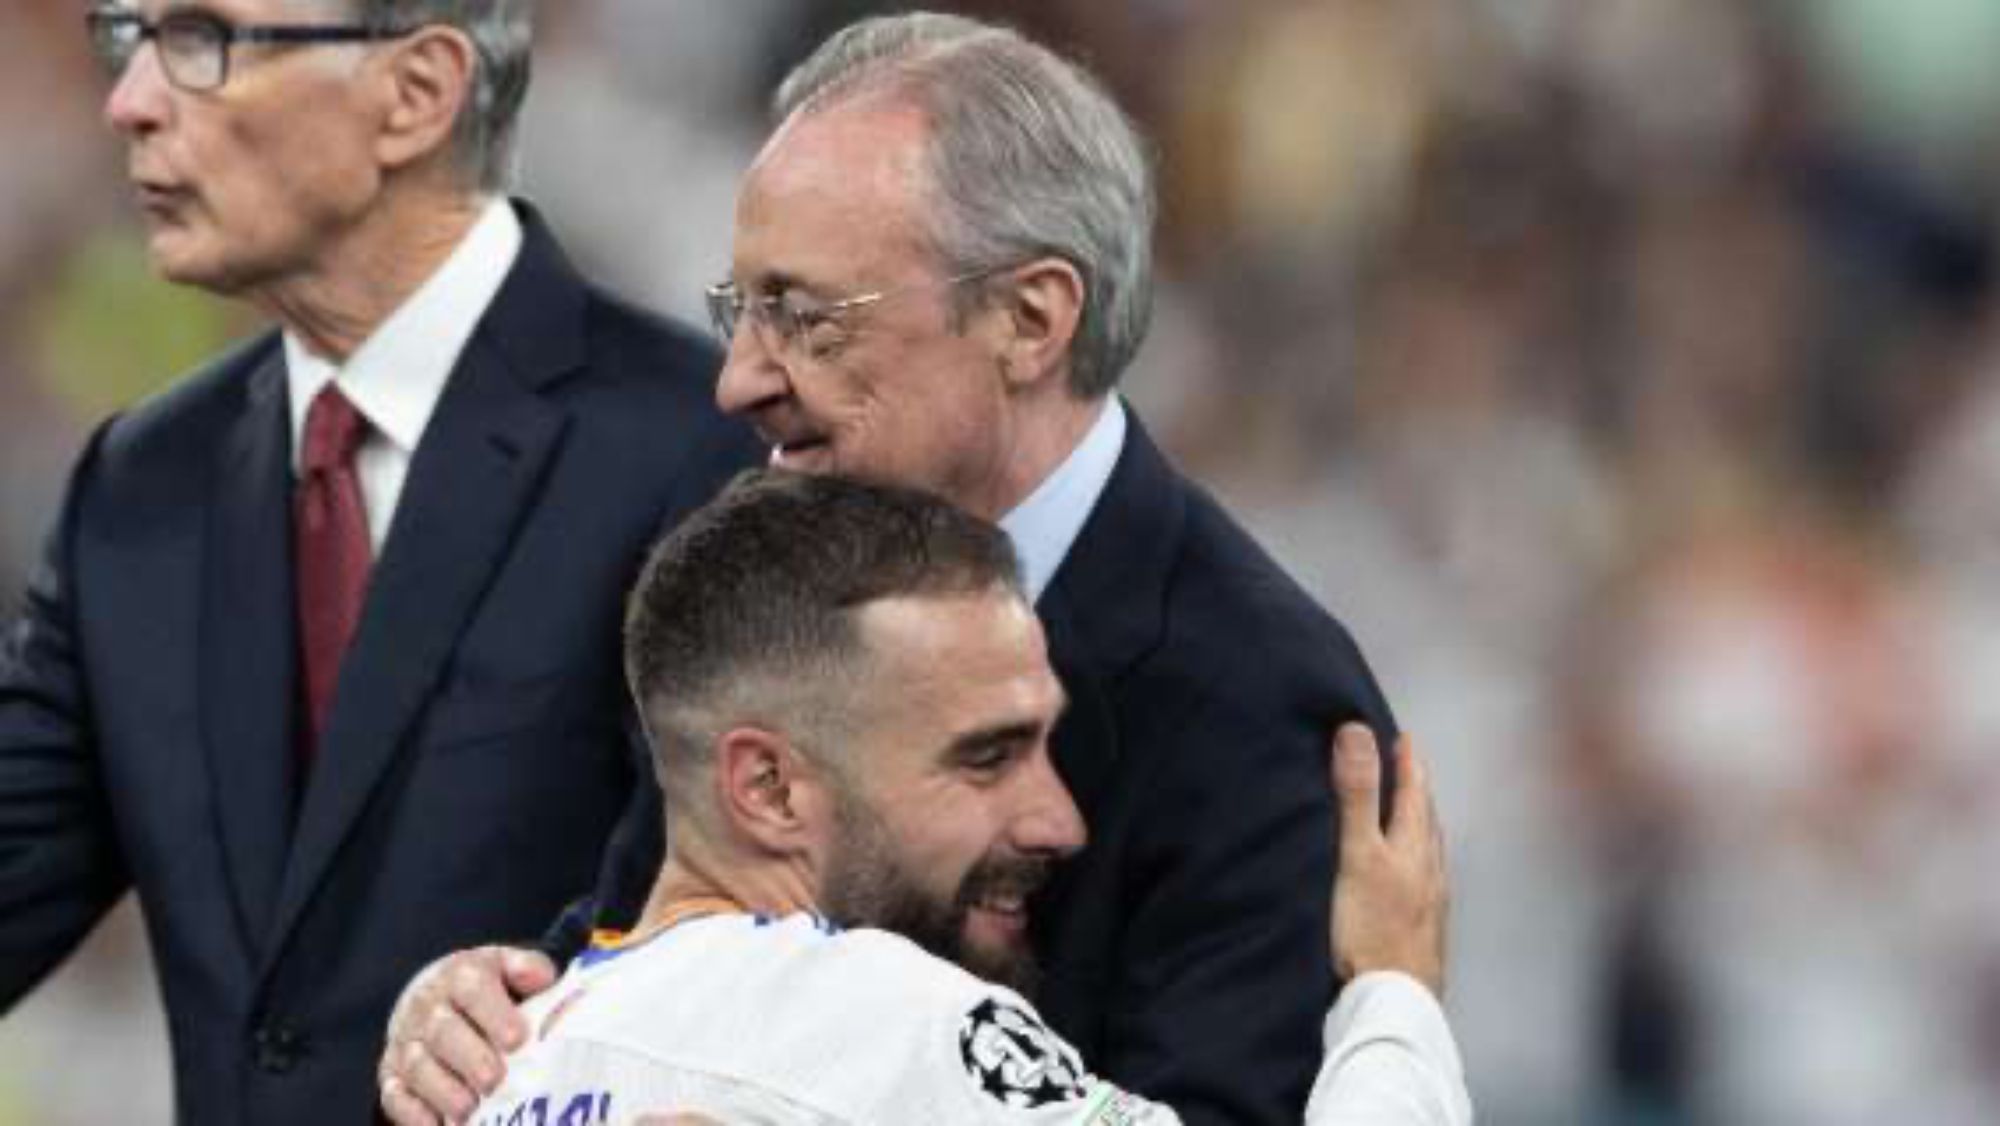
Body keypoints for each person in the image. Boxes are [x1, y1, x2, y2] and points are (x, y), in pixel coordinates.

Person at [383, 13, 1403, 1126]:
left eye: (805, 318)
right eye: (741, 310)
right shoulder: (767, 581)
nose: (737, 380)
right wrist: (484, 1014)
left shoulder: (1256, 698)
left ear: (1028, 319)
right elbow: (671, 933)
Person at [0, 2, 754, 1122]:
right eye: (129, 35)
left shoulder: (698, 450)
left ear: (415, 92)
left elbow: (735, 932)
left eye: (202, 42)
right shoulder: (141, 482)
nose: (131, 99)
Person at [469, 469, 1467, 1126]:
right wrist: (1392, 996)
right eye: (986, 757)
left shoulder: (496, 1070)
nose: (1060, 820)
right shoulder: (875, 1016)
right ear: (768, 786)